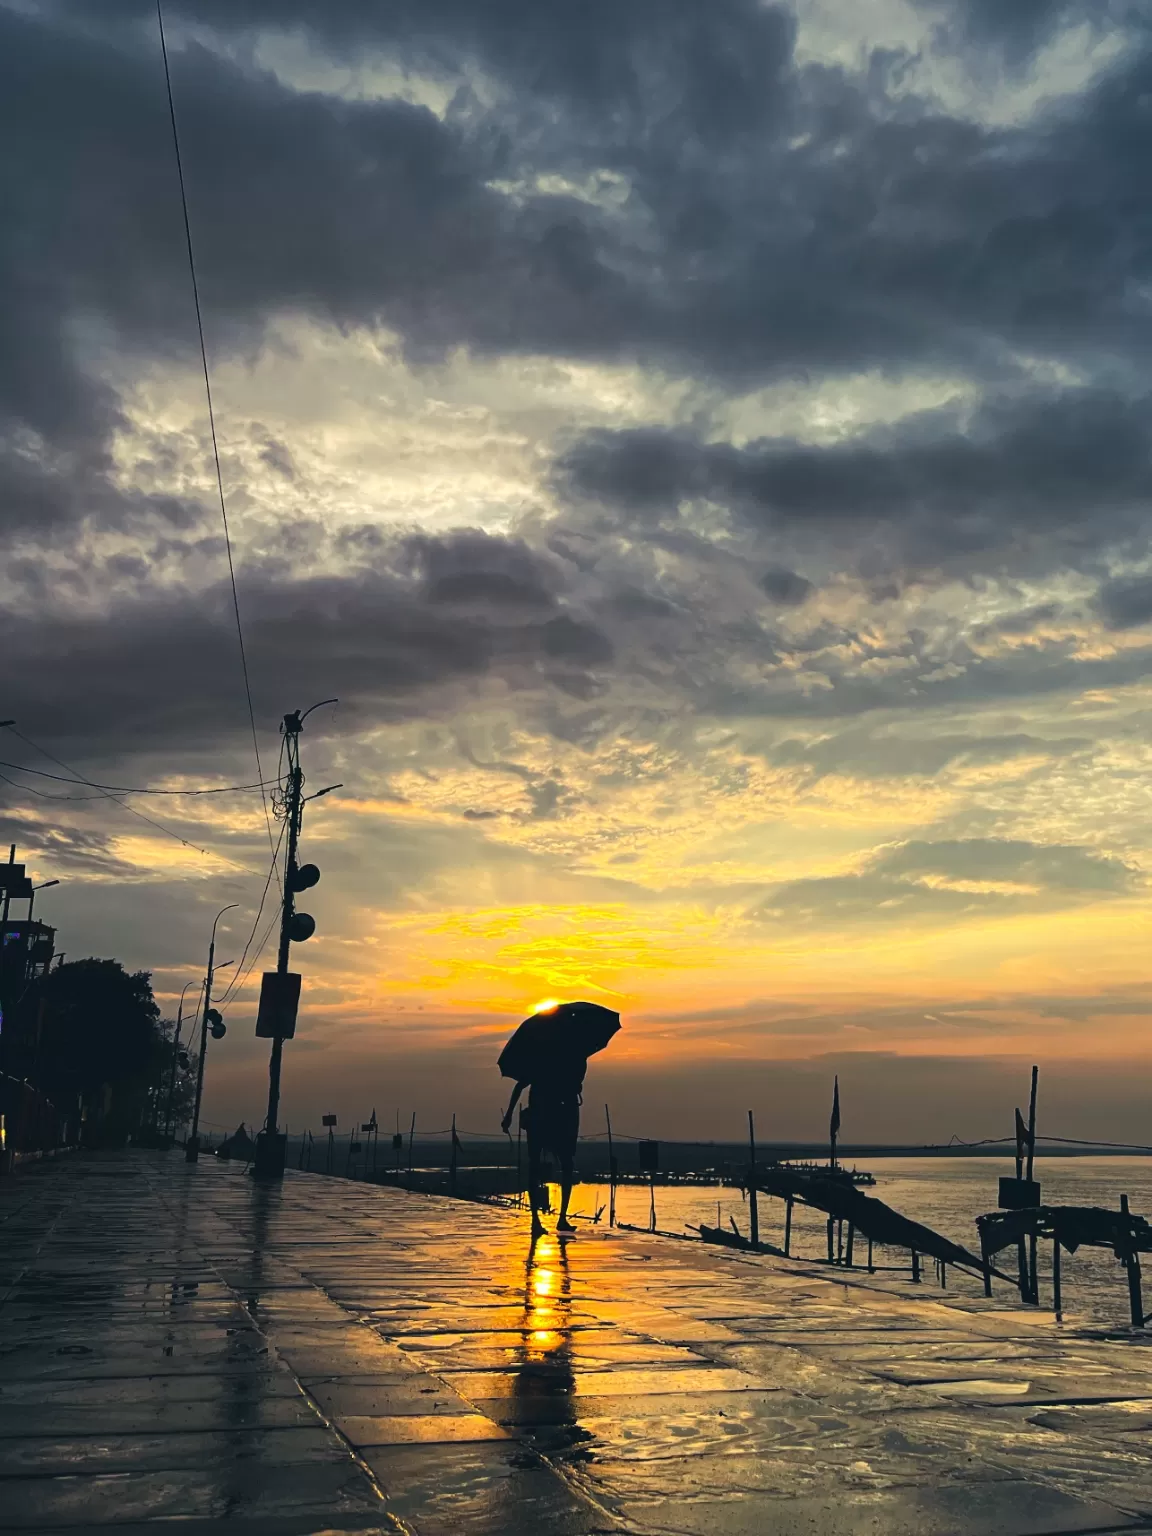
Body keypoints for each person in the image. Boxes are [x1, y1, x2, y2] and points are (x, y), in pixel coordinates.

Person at [502, 1050, 585, 1238]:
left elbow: (520, 1087)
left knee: (559, 1165)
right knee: (549, 1166)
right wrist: (509, 1114)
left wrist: (509, 1115)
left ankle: (547, 1219)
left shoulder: (566, 1059)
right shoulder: (560, 1058)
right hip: (547, 1118)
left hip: (556, 1117)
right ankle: (541, 1220)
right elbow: (520, 1086)